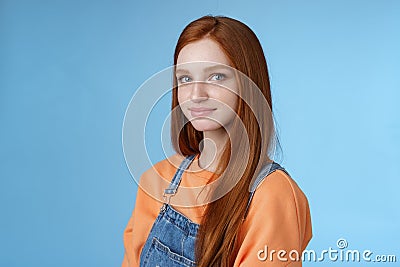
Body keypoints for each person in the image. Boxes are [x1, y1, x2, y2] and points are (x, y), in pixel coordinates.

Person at [122, 15, 312, 267]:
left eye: (216, 77)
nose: (196, 95)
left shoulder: (271, 194)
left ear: (248, 84)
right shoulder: (156, 180)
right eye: (185, 79)